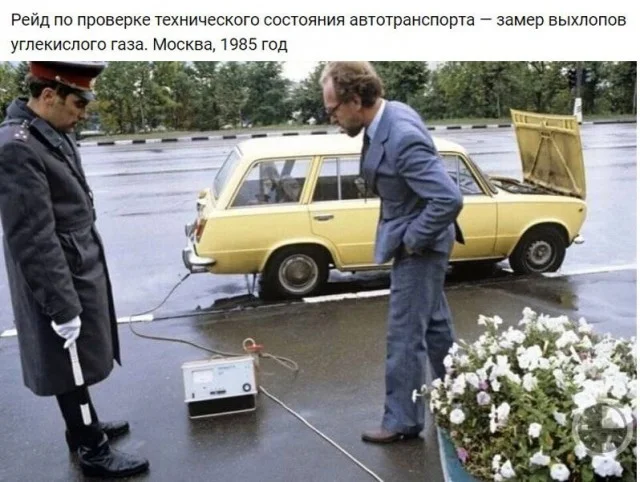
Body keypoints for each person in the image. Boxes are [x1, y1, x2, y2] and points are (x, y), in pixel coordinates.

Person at [0, 62, 150, 477]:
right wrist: (61, 306)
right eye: (78, 103)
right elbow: (33, 237)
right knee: (67, 361)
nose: (83, 113)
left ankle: (85, 426)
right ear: (49, 96)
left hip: (74, 263)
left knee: (76, 359)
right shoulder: (17, 147)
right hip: (55, 272)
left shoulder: (48, 132)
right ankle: (91, 449)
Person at [320, 62, 464, 443]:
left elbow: (448, 199)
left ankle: (402, 420)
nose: (332, 118)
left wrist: (413, 239)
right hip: (417, 238)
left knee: (404, 334)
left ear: (355, 100)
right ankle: (461, 399)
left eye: (333, 110)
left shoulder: (400, 135)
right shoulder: (387, 116)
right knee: (435, 326)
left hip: (422, 246)